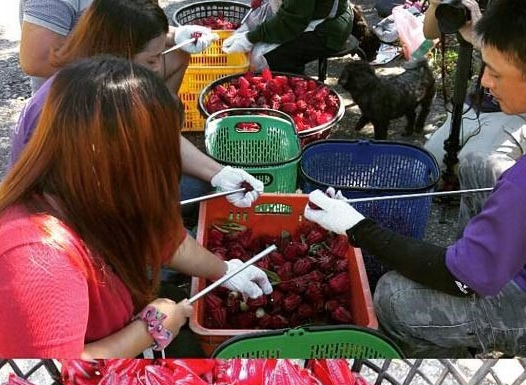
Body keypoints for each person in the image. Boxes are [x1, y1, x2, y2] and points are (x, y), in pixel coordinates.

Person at [0, 57, 273, 359]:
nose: (169, 167)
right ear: (116, 159)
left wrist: (227, 270)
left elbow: (162, 240)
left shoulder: (96, 195)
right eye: (161, 152)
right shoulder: (36, 260)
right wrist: (147, 331)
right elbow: (51, 374)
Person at [303, 0, 526, 358]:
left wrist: (358, 227)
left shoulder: (522, 184)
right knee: (478, 165)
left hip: (519, 301)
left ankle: (463, 347)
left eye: (496, 73)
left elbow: (471, 273)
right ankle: (476, 256)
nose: (484, 81)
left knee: (393, 295)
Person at [8, 0, 265, 210]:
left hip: (96, 187)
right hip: (64, 215)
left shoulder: (104, 83)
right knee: (164, 211)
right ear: (119, 54)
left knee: (197, 186)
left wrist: (221, 174)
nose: (158, 67)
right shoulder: (94, 109)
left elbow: (155, 135)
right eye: (152, 60)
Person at [423, 0, 526, 223]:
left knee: (478, 166)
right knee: (426, 168)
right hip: (477, 103)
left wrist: (484, 37)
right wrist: (434, 6)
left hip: (516, 112)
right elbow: (429, 32)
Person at [19, 0, 213, 94]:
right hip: (72, 90)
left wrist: (176, 35)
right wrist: (118, 60)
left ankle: (159, 126)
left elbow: (138, 23)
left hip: (119, 63)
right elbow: (36, 61)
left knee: (177, 55)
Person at [223, 0, 352, 75]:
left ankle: (296, 101)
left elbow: (291, 22)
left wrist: (250, 38)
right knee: (247, 31)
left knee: (270, 59)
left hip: (326, 28)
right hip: (298, 11)